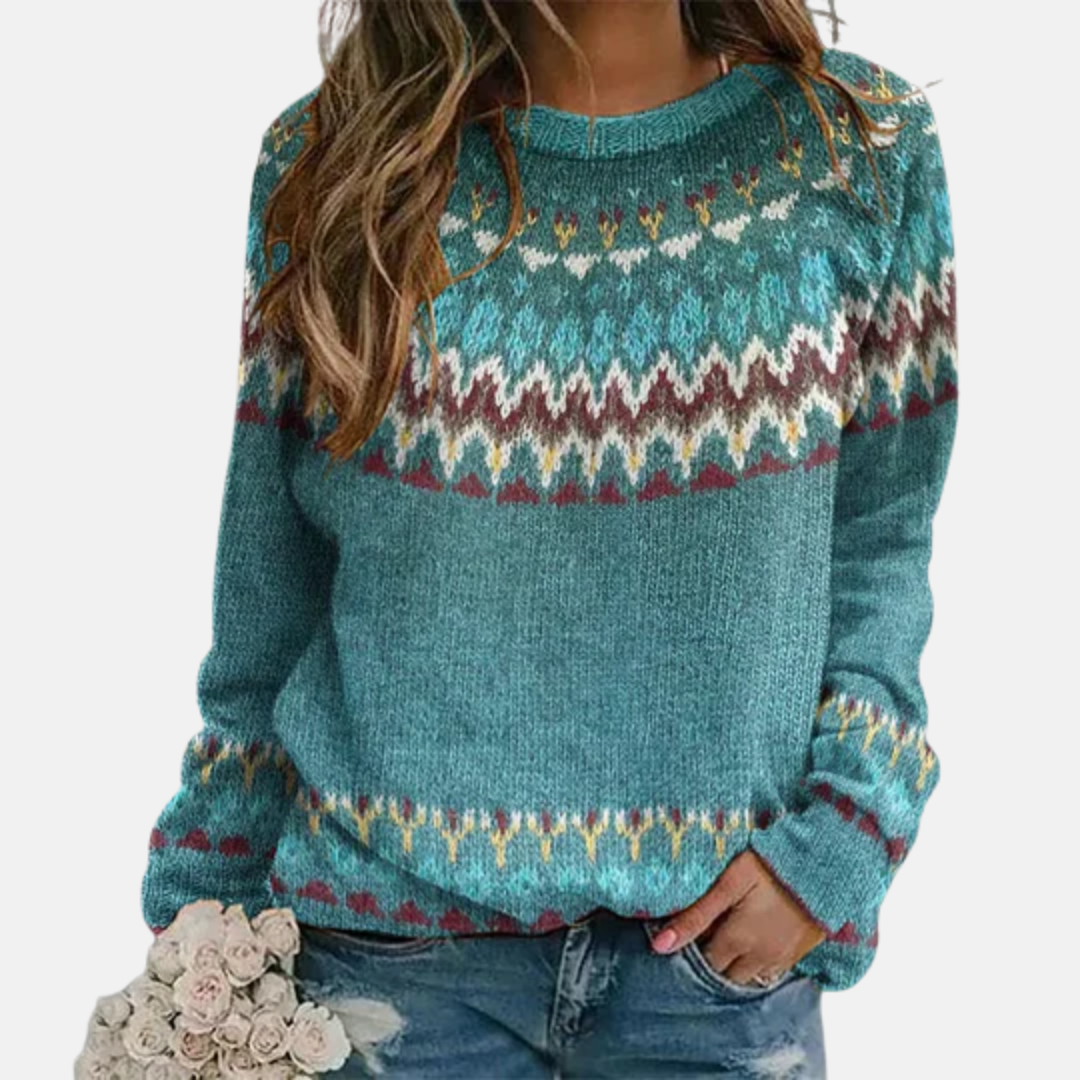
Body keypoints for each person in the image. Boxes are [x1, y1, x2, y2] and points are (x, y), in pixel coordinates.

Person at [140, 1, 959, 1075]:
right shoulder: (333, 164)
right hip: (379, 959)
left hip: (714, 975)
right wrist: (205, 907)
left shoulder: (858, 153)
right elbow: (271, 587)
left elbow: (883, 538)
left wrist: (847, 832)